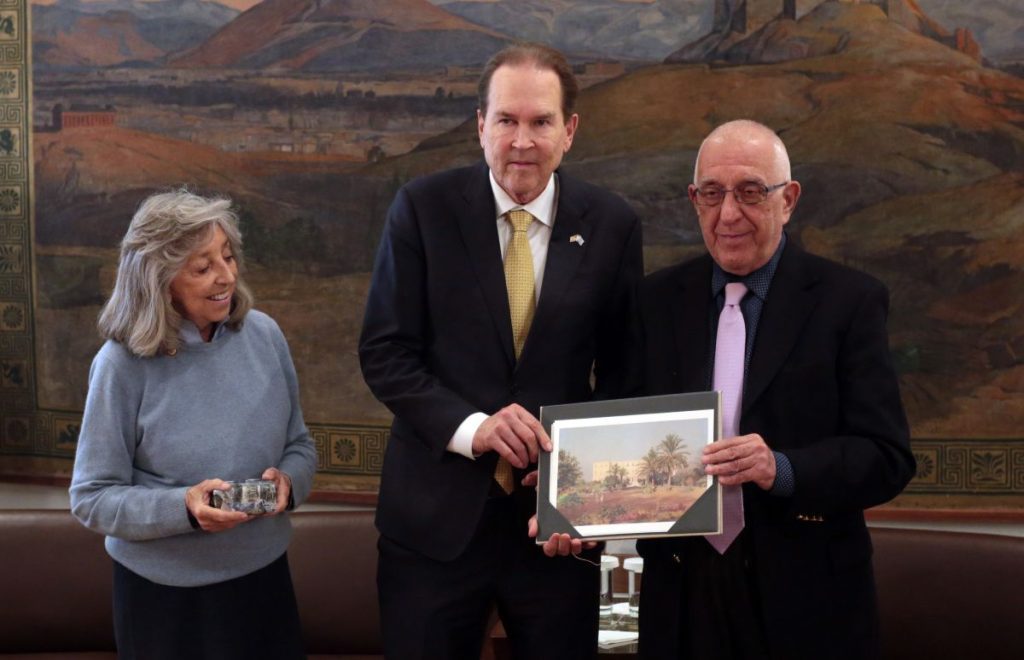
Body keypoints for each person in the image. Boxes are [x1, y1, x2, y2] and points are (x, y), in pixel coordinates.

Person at [358, 42, 643, 659]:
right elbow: (385, 352)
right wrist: (475, 428)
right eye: (507, 120)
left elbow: (626, 375)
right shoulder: (423, 208)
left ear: (569, 131)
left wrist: (580, 490)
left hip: (560, 529)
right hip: (433, 525)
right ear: (480, 124)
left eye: (541, 122)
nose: (522, 141)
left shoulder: (613, 224)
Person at [632, 120, 916, 659]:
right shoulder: (655, 301)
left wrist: (780, 468)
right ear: (694, 199)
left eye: (750, 192)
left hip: (807, 597)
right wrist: (571, 503)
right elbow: (621, 424)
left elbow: (886, 457)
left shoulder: (848, 302)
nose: (728, 213)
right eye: (712, 193)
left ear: (788, 200)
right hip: (682, 593)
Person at [69, 190, 317, 660]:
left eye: (228, 257)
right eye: (203, 268)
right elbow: (92, 498)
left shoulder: (265, 335)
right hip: (164, 602)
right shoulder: (120, 365)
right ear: (159, 281)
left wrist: (289, 483)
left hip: (264, 582)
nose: (226, 276)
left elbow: (300, 445)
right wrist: (184, 507)